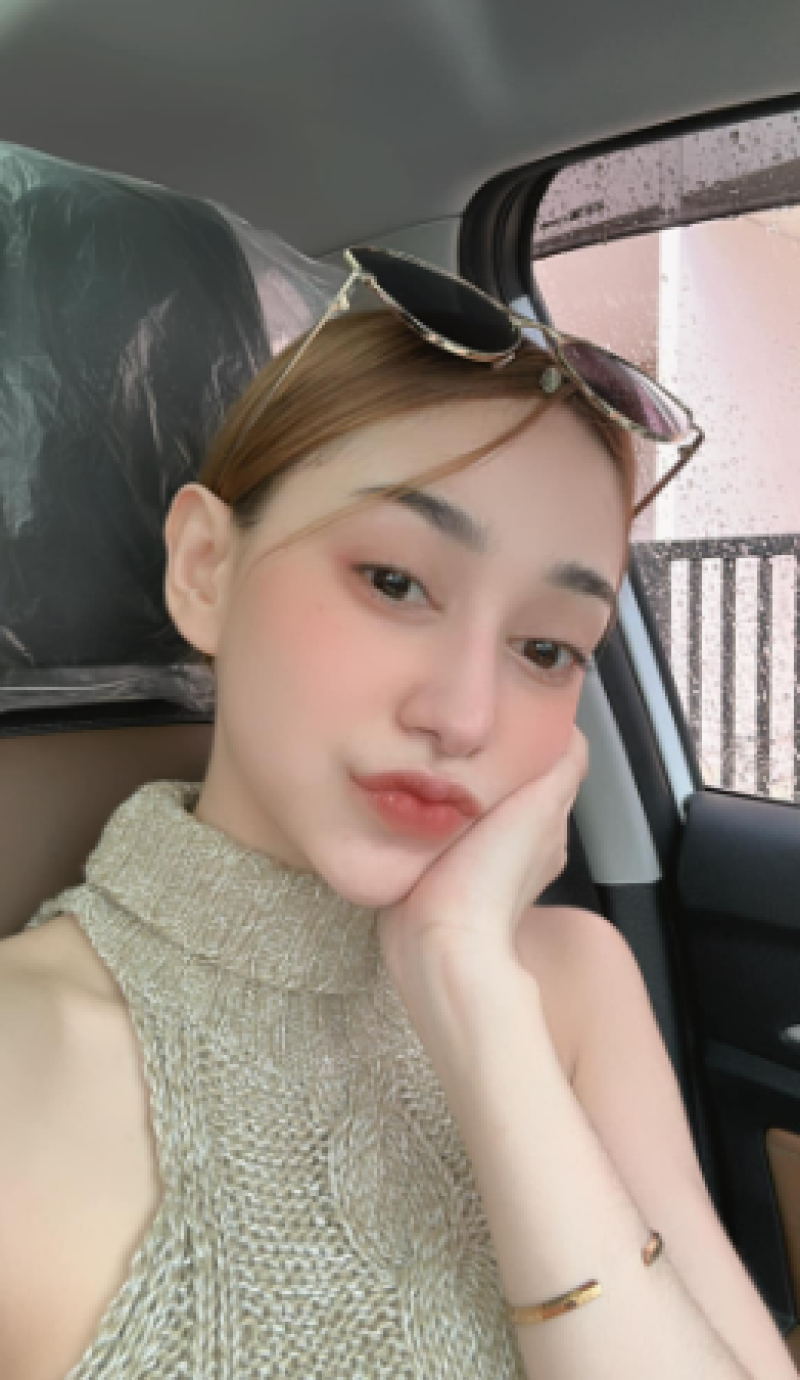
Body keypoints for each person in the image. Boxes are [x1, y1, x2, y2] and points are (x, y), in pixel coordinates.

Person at [0, 252, 789, 1380]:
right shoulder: (21, 1058)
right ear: (205, 570)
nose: (463, 716)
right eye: (393, 581)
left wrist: (471, 989)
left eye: (544, 648)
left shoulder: (568, 982)